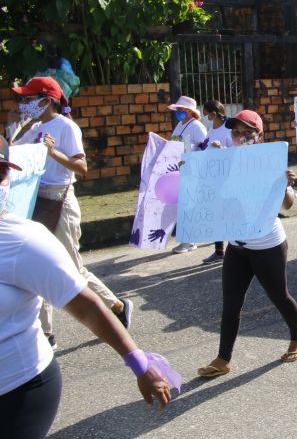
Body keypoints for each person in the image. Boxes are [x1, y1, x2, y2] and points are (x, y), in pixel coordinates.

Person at [0, 136, 175, 439]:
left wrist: (140, 364)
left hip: (16, 389)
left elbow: (86, 304)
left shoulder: (21, 241)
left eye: (1, 173)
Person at [11, 77, 131, 349]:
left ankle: (116, 306)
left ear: (46, 100)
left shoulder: (66, 127)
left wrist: (53, 153)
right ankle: (46, 334)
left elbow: (81, 167)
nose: (24, 104)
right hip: (35, 203)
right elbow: (12, 158)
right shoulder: (32, 128)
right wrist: (15, 126)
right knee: (36, 265)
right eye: (23, 99)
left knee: (73, 269)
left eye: (28, 99)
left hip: (60, 202)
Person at [197, 110, 297, 378]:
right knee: (231, 303)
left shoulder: (270, 164)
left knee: (279, 296)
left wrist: (284, 183)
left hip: (267, 245)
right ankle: (223, 359)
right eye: (235, 133)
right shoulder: (225, 160)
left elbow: (288, 205)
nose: (240, 138)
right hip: (237, 245)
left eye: (247, 133)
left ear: (259, 137)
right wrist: (207, 163)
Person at [168, 95, 207, 254]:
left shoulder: (196, 127)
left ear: (190, 111)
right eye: (177, 109)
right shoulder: (179, 125)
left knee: (187, 206)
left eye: (181, 109)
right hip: (180, 171)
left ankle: (188, 241)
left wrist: (194, 162)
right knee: (184, 205)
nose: (178, 111)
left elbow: (205, 147)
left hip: (192, 171)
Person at [200, 99, 233, 264]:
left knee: (228, 215)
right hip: (213, 178)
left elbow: (236, 153)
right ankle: (219, 250)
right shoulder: (212, 129)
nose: (204, 117)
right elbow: (206, 148)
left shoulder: (229, 130)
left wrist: (222, 149)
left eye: (206, 114)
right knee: (216, 215)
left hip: (226, 179)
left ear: (213, 114)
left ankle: (235, 249)